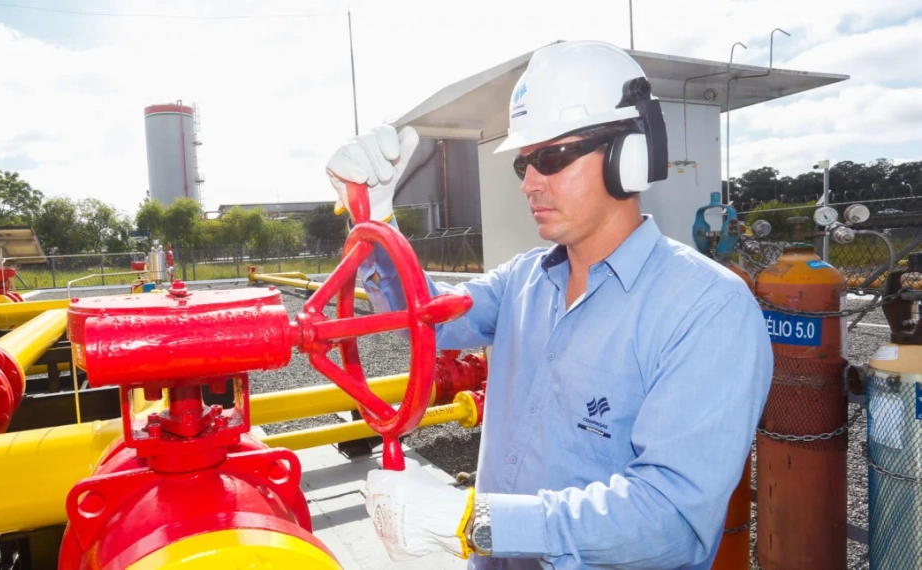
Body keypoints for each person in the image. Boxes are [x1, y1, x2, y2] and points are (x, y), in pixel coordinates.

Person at [324, 40, 773, 570]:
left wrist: (476, 521)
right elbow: (427, 320)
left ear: (629, 154)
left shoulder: (708, 308)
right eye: (524, 164)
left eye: (552, 157)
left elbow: (670, 520)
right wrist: (375, 221)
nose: (530, 184)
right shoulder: (524, 282)